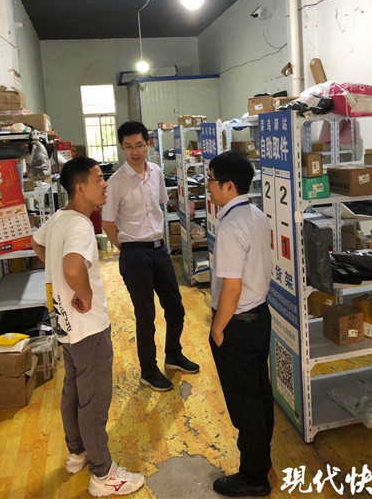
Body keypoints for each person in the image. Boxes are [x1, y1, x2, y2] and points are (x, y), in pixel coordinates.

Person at [31, 157, 144, 497]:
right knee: (93, 400)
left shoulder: (59, 218)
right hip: (87, 327)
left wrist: (61, 278)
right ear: (80, 188)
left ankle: (77, 452)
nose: (105, 184)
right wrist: (85, 293)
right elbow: (72, 268)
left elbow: (37, 243)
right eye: (98, 179)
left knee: (74, 391)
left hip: (63, 323)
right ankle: (103, 473)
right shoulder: (80, 225)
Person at [102, 121, 199, 392]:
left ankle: (173, 355)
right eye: (128, 147)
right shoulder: (115, 182)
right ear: (122, 148)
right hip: (134, 254)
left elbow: (159, 206)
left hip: (160, 250)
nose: (134, 152)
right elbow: (107, 223)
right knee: (145, 315)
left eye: (139, 145)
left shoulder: (156, 172)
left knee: (176, 308)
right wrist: (126, 249)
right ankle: (148, 370)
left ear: (148, 144)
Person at [206, 151, 274, 498]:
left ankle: (253, 477)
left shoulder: (232, 227)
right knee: (259, 392)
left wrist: (218, 328)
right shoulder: (256, 215)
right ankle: (262, 457)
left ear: (229, 186)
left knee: (244, 402)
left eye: (211, 180)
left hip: (238, 324)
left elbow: (231, 289)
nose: (208, 186)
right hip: (259, 316)